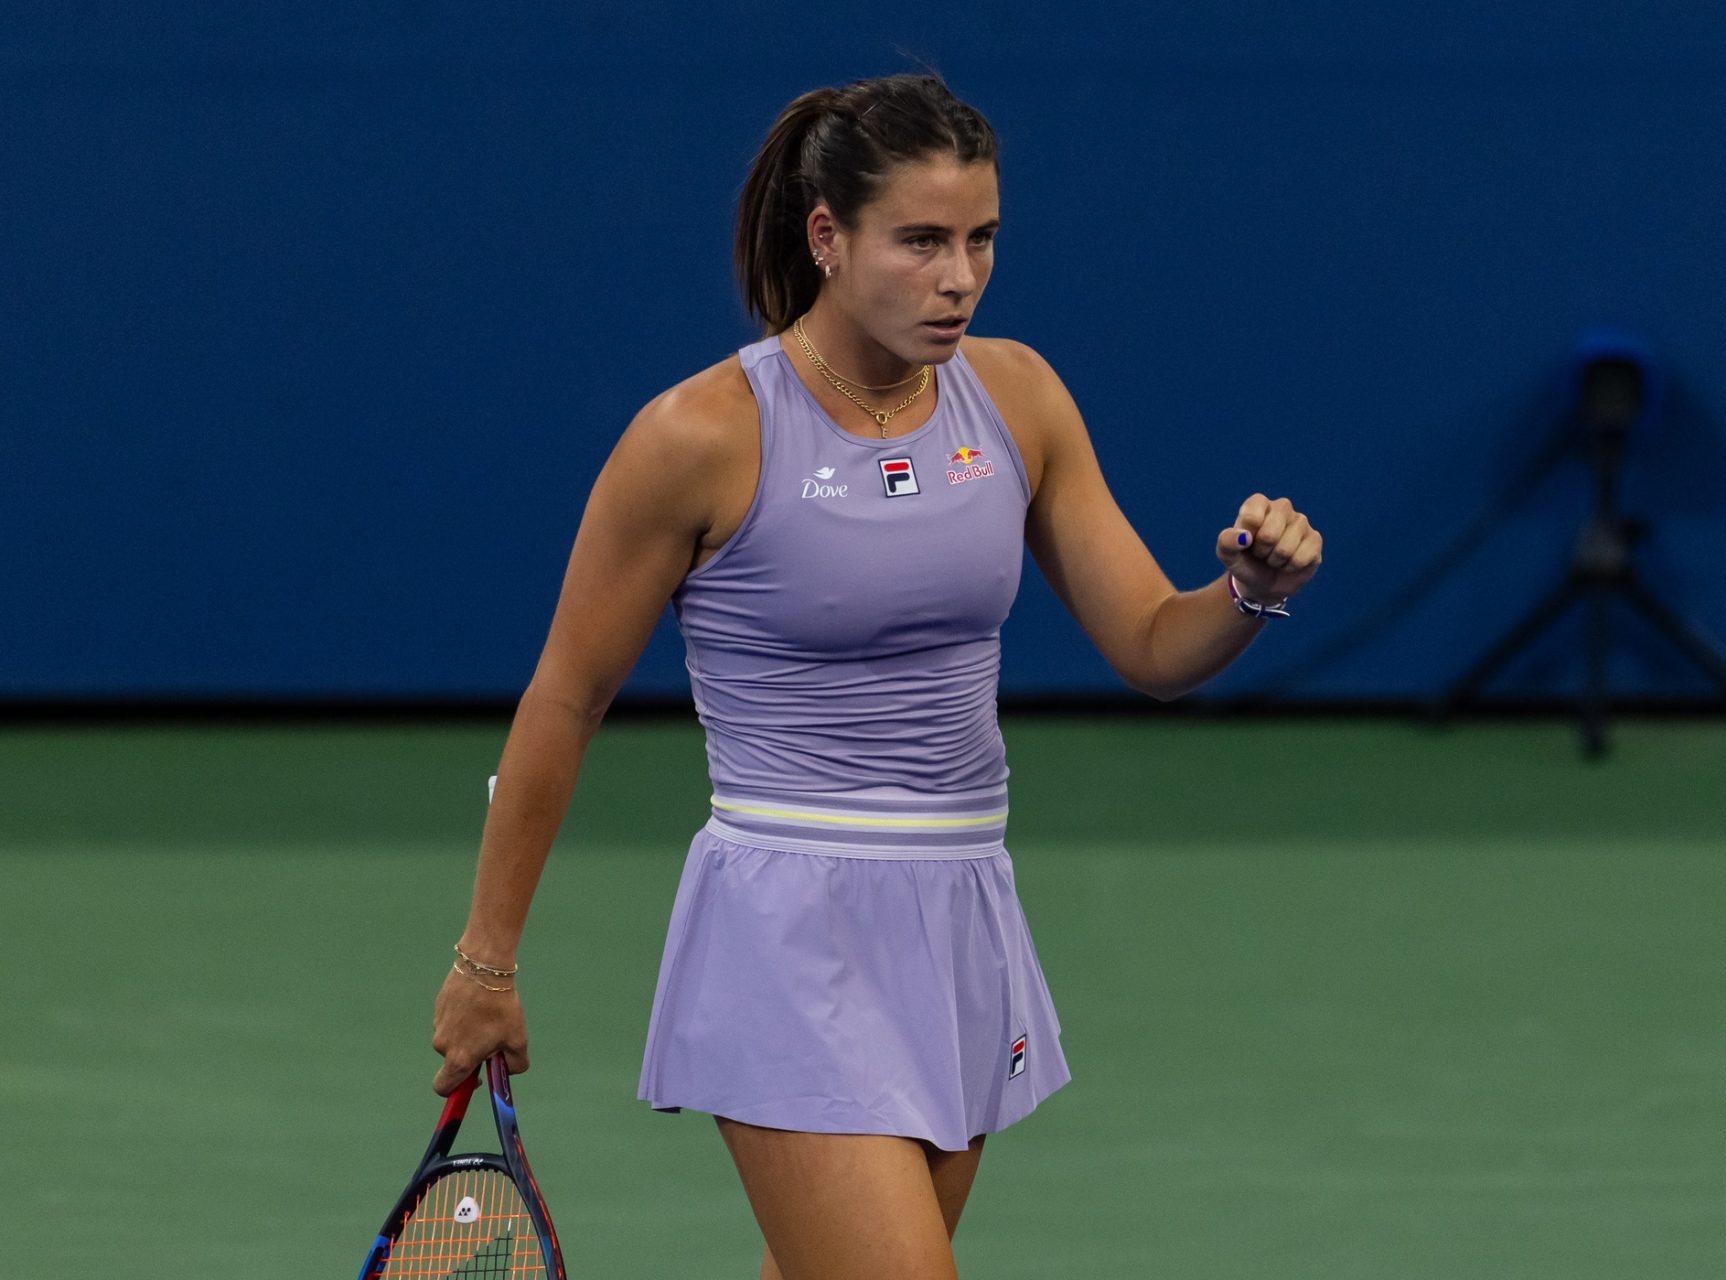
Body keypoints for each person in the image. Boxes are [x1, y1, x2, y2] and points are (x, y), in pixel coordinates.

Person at [429, 71, 1322, 1280]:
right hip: (789, 930)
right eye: (921, 241)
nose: (960, 276)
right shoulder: (699, 437)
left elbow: (1155, 646)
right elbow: (564, 700)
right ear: (828, 238)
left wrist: (1249, 592)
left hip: (960, 920)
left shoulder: (1017, 397)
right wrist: (487, 958)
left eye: (981, 239)